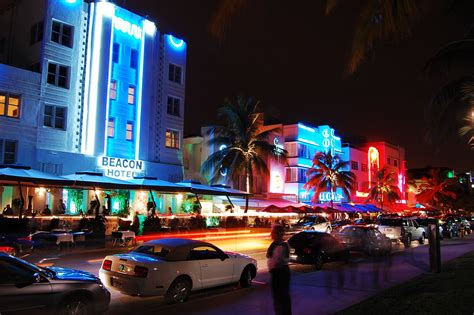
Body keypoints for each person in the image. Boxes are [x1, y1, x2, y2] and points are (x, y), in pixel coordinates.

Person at [267, 224, 292, 315]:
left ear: (277, 234)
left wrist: (272, 268)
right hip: (281, 272)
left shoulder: (280, 246)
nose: (271, 234)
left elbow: (275, 261)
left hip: (279, 273)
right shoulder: (281, 244)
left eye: (272, 232)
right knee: (282, 297)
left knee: (280, 297)